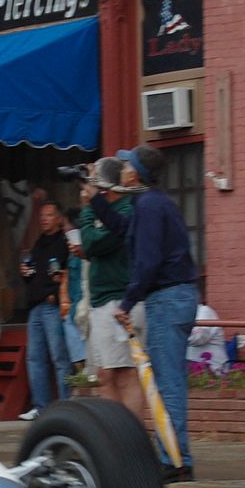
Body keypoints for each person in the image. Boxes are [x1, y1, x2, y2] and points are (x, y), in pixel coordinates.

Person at [90, 144, 200, 481]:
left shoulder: (150, 206)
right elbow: (123, 231)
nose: (121, 169)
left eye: (124, 165)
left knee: (167, 383)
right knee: (167, 381)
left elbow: (148, 260)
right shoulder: (149, 203)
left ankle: (177, 462)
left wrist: (126, 302)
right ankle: (174, 456)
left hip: (167, 298)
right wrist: (96, 195)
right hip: (171, 297)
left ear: (134, 173)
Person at [79, 159, 146, 424]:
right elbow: (88, 240)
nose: (89, 182)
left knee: (126, 373)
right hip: (99, 300)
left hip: (123, 299)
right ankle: (115, 439)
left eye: (93, 177)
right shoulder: (92, 210)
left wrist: (97, 218)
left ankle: (132, 444)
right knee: (104, 374)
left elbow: (102, 242)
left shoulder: (128, 209)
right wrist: (91, 211)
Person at [18, 201, 72, 421]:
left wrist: (57, 295)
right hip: (35, 306)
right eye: (42, 216)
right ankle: (40, 406)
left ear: (58, 218)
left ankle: (65, 405)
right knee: (35, 358)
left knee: (59, 357)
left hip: (52, 305)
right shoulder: (39, 243)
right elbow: (34, 274)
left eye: (49, 215)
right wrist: (25, 272)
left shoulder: (64, 242)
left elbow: (66, 274)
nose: (44, 219)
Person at [186, 299, 227, 375]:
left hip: (211, 367)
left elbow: (199, 337)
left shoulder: (204, 311)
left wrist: (176, 335)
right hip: (193, 365)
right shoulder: (184, 315)